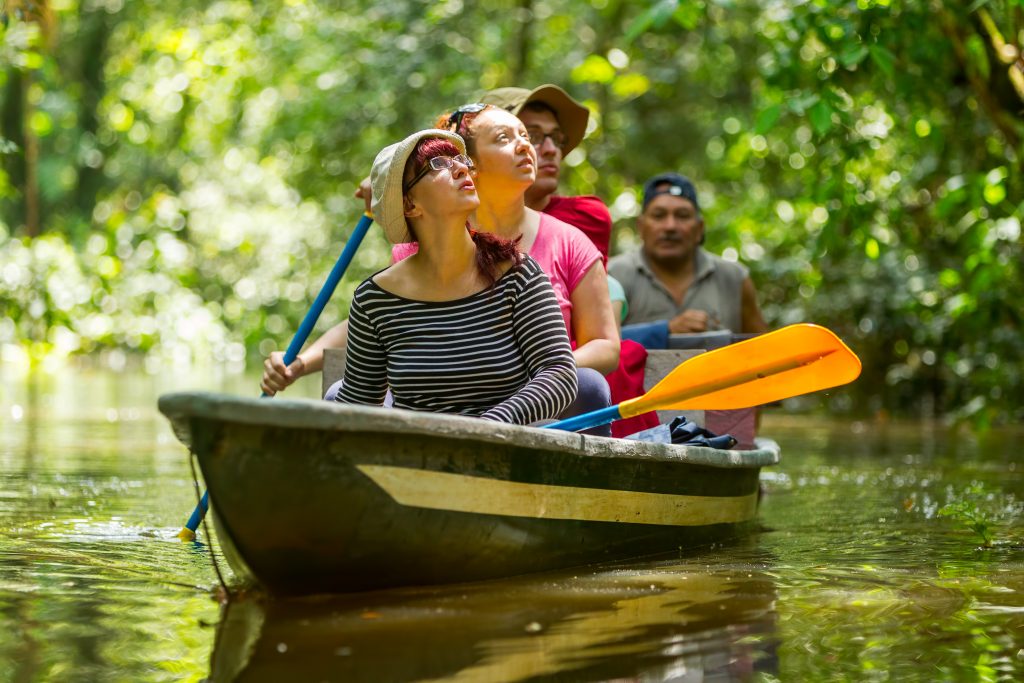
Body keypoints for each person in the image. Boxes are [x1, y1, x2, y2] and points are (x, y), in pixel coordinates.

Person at [331, 128, 578, 424]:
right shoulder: (375, 300)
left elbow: (559, 373)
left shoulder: (518, 274)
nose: (462, 167)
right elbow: (359, 404)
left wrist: (490, 426)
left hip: (511, 453)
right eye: (438, 165)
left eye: (461, 159)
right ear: (409, 204)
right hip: (420, 459)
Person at [608, 173, 768, 349]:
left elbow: (763, 349)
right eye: (659, 216)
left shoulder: (733, 279)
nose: (670, 226)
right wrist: (665, 331)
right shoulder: (613, 276)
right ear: (641, 227)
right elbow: (593, 344)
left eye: (682, 216)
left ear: (699, 228)